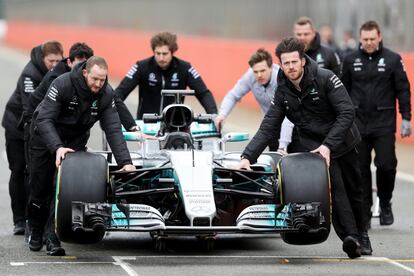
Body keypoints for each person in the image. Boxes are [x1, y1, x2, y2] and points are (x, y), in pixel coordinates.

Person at [235, 37, 372, 257]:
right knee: (335, 190)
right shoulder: (282, 91)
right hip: (315, 148)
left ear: (303, 61)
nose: (290, 67)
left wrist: (329, 144)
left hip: (343, 141)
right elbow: (268, 126)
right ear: (281, 64)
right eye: (286, 63)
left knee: (355, 190)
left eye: (294, 62)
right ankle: (352, 239)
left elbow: (347, 113)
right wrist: (247, 157)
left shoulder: (326, 78)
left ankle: (363, 234)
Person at [27, 56, 135, 256]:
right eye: (95, 79)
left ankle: (52, 237)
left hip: (74, 141)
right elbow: (44, 119)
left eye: (102, 80)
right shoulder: (62, 83)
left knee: (60, 188)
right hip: (44, 137)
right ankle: (34, 227)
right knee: (39, 187)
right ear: (85, 72)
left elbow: (113, 129)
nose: (98, 84)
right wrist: (57, 147)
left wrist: (125, 162)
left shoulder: (106, 94)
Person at [341, 20, 412, 228]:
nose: (369, 42)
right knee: (361, 169)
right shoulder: (349, 59)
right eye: (365, 39)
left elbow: (403, 90)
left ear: (379, 37)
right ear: (360, 39)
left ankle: (385, 201)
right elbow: (341, 92)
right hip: (358, 125)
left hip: (383, 123)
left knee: (386, 165)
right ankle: (365, 212)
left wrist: (406, 118)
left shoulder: (393, 59)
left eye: (373, 39)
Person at [2, 40, 63, 235]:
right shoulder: (30, 74)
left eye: (57, 60)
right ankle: (19, 220)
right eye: (50, 60)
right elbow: (33, 109)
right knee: (19, 170)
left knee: (35, 173)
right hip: (17, 127)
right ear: (42, 58)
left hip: (37, 129)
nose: (54, 64)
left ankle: (35, 220)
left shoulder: (60, 71)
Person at [115, 32, 217, 119]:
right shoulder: (141, 66)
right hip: (147, 123)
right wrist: (110, 113)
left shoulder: (185, 68)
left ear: (172, 52)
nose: (161, 58)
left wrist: (214, 115)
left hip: (175, 125)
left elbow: (203, 93)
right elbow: (122, 91)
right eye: (157, 53)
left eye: (165, 54)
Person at [214, 48, 293, 151]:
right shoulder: (250, 76)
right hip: (272, 124)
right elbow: (233, 95)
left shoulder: (281, 78)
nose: (259, 75)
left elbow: (288, 115)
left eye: (263, 71)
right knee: (275, 157)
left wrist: (283, 145)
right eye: (256, 71)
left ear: (271, 67)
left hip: (292, 121)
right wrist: (222, 115)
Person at [289, 17, 343, 153]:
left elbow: (341, 85)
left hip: (325, 122)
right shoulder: (289, 57)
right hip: (299, 124)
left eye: (306, 34)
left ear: (314, 33)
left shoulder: (329, 54)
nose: (302, 38)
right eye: (299, 34)